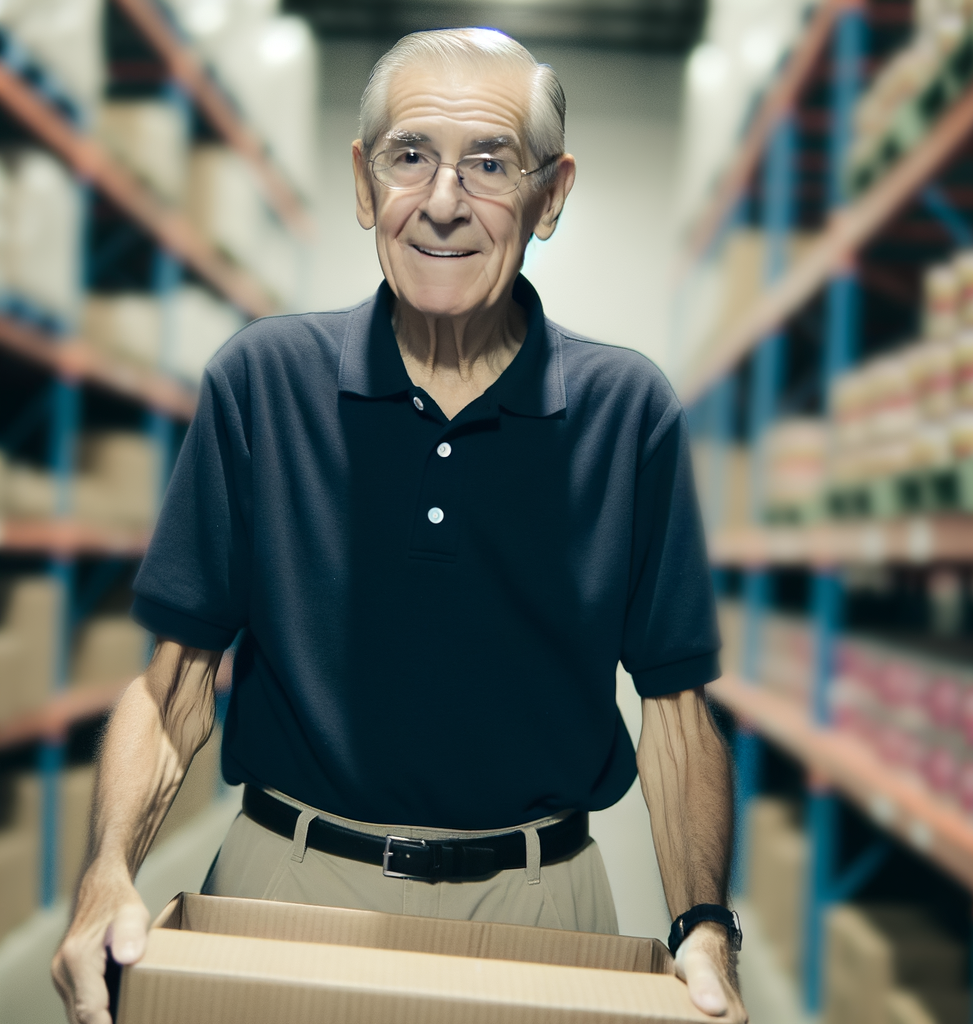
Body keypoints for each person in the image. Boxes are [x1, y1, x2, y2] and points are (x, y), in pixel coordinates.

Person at [52, 27, 747, 1024]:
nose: (443, 202)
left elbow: (676, 712)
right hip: (282, 884)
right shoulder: (263, 383)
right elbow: (173, 685)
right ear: (362, 182)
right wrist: (107, 874)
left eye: (491, 163)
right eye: (408, 155)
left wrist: (704, 926)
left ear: (551, 194)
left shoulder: (627, 411)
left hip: (540, 901)